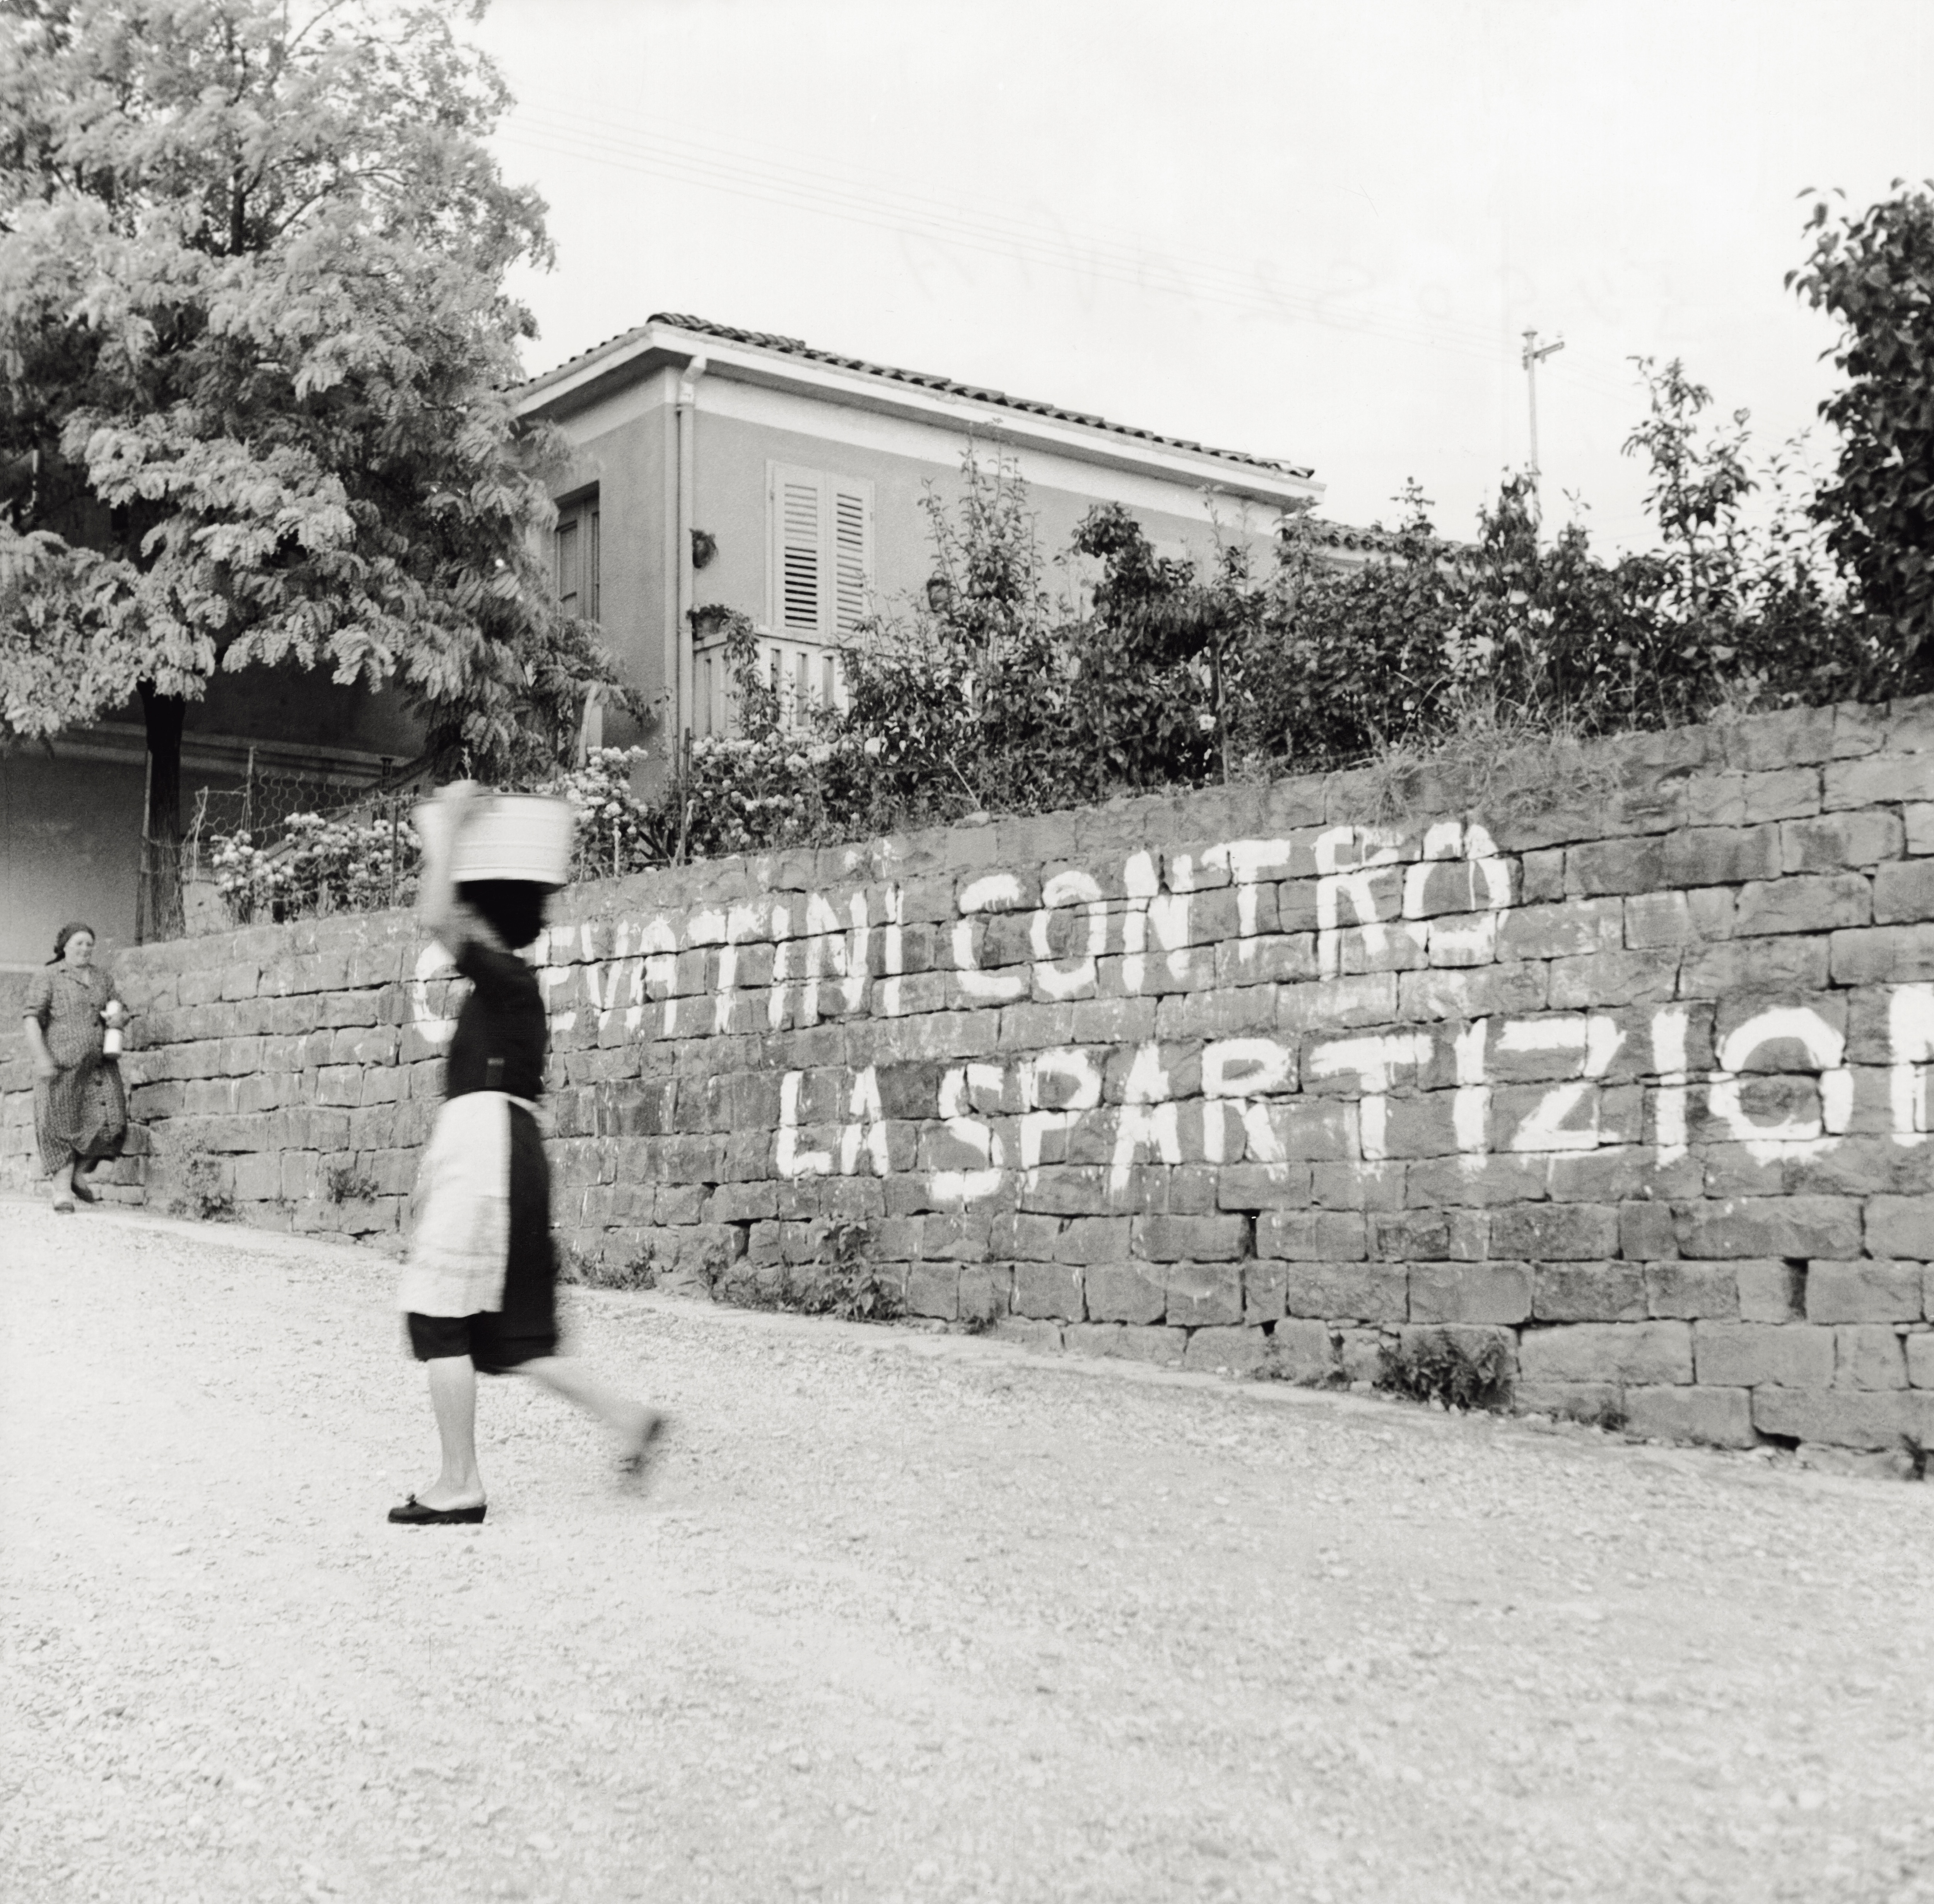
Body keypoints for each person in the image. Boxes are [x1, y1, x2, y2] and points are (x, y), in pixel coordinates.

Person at [389, 782, 667, 1527]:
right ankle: (631, 1419)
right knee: (511, 1337)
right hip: (511, 1150)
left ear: (489, 912)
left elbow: (433, 914)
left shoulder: (505, 977)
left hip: (486, 1149)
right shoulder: (515, 986)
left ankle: (459, 1483)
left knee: (440, 1319)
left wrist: (446, 826)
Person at [21, 922, 127, 1214]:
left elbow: (119, 1008)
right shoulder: (49, 976)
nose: (85, 949)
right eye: (79, 943)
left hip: (99, 1066)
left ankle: (79, 1174)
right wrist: (41, 1057)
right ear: (64, 946)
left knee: (112, 1123)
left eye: (89, 944)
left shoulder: (102, 978)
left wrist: (120, 1019)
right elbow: (31, 1018)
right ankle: (62, 1193)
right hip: (60, 1067)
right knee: (60, 1127)